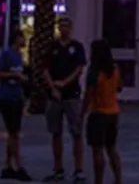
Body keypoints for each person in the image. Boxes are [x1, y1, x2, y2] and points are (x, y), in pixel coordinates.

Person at [43, 17, 86, 182]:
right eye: (60, 26)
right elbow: (45, 69)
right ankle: (58, 168)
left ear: (71, 27)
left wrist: (64, 83)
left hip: (72, 95)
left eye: (66, 25)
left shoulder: (77, 47)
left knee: (76, 132)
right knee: (56, 132)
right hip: (54, 97)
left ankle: (78, 169)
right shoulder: (52, 47)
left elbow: (79, 69)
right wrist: (53, 87)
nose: (63, 29)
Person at [0, 29, 31, 181]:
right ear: (16, 38)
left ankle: (8, 165)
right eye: (23, 37)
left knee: (13, 132)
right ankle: (18, 165)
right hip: (7, 98)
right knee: (13, 132)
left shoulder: (19, 56)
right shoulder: (7, 54)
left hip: (17, 97)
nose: (25, 41)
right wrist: (14, 75)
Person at [84, 39, 123, 184]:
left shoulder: (94, 71)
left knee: (97, 149)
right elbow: (119, 87)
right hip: (113, 112)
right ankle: (118, 179)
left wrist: (83, 113)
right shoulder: (114, 69)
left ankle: (98, 180)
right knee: (112, 148)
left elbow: (88, 94)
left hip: (98, 112)